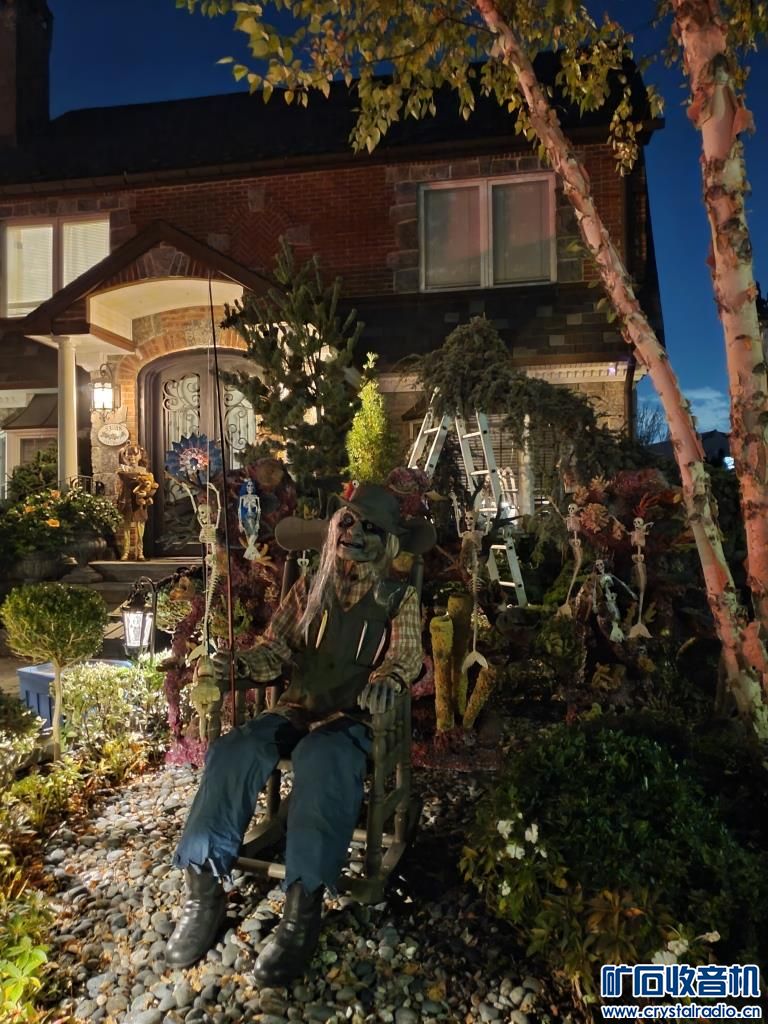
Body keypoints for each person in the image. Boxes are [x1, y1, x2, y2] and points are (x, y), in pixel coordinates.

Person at [166, 483, 435, 985]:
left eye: (370, 528)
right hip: (297, 706)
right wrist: (237, 664)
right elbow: (276, 648)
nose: (354, 533)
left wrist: (387, 682)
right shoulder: (311, 586)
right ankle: (203, 889)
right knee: (234, 749)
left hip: (352, 719)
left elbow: (403, 659)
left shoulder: (397, 598)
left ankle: (301, 908)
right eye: (347, 521)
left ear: (389, 542)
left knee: (321, 759)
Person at [116, 444, 158, 561]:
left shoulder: (146, 473)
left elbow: (152, 486)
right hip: (127, 502)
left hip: (139, 503)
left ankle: (140, 552)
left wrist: (146, 494)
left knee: (140, 529)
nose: (132, 457)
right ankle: (126, 552)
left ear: (140, 455)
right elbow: (125, 478)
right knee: (126, 528)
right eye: (129, 454)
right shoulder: (122, 470)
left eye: (135, 454)